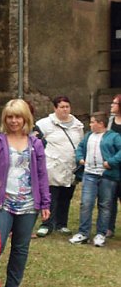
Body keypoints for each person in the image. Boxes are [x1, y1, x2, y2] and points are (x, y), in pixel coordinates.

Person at [0, 98, 50, 287]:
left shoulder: (36, 144)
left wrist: (45, 203)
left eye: (18, 117)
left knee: (21, 248)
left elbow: (41, 174)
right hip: (2, 203)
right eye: (10, 117)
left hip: (29, 204)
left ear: (26, 119)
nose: (14, 121)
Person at [34, 96, 85, 237]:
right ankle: (47, 223)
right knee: (51, 196)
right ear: (55, 108)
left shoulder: (78, 125)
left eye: (67, 106)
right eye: (62, 107)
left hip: (70, 167)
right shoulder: (44, 124)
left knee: (66, 196)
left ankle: (62, 224)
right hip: (52, 167)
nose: (65, 110)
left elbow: (80, 143)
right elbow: (36, 141)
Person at [69, 112, 121, 247]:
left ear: (101, 124)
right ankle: (83, 232)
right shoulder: (88, 136)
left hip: (107, 176)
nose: (90, 125)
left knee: (105, 205)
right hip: (89, 174)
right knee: (86, 203)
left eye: (93, 122)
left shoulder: (114, 137)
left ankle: (101, 234)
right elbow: (80, 148)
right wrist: (80, 158)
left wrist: (111, 162)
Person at [107, 94, 121, 236]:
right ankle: (109, 227)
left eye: (115, 103)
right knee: (110, 198)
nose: (112, 105)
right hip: (112, 165)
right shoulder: (111, 120)